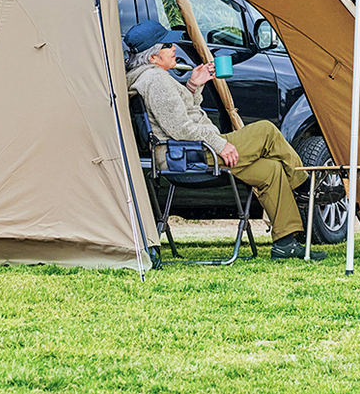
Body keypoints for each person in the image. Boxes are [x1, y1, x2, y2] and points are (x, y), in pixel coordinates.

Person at [122, 19, 326, 261]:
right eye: (168, 44)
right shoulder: (155, 80)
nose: (175, 47)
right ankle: (306, 187)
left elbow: (179, 116)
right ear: (153, 57)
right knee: (266, 132)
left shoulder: (152, 78)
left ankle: (285, 243)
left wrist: (193, 84)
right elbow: (180, 128)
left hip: (190, 150)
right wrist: (220, 144)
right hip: (190, 154)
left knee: (270, 170)